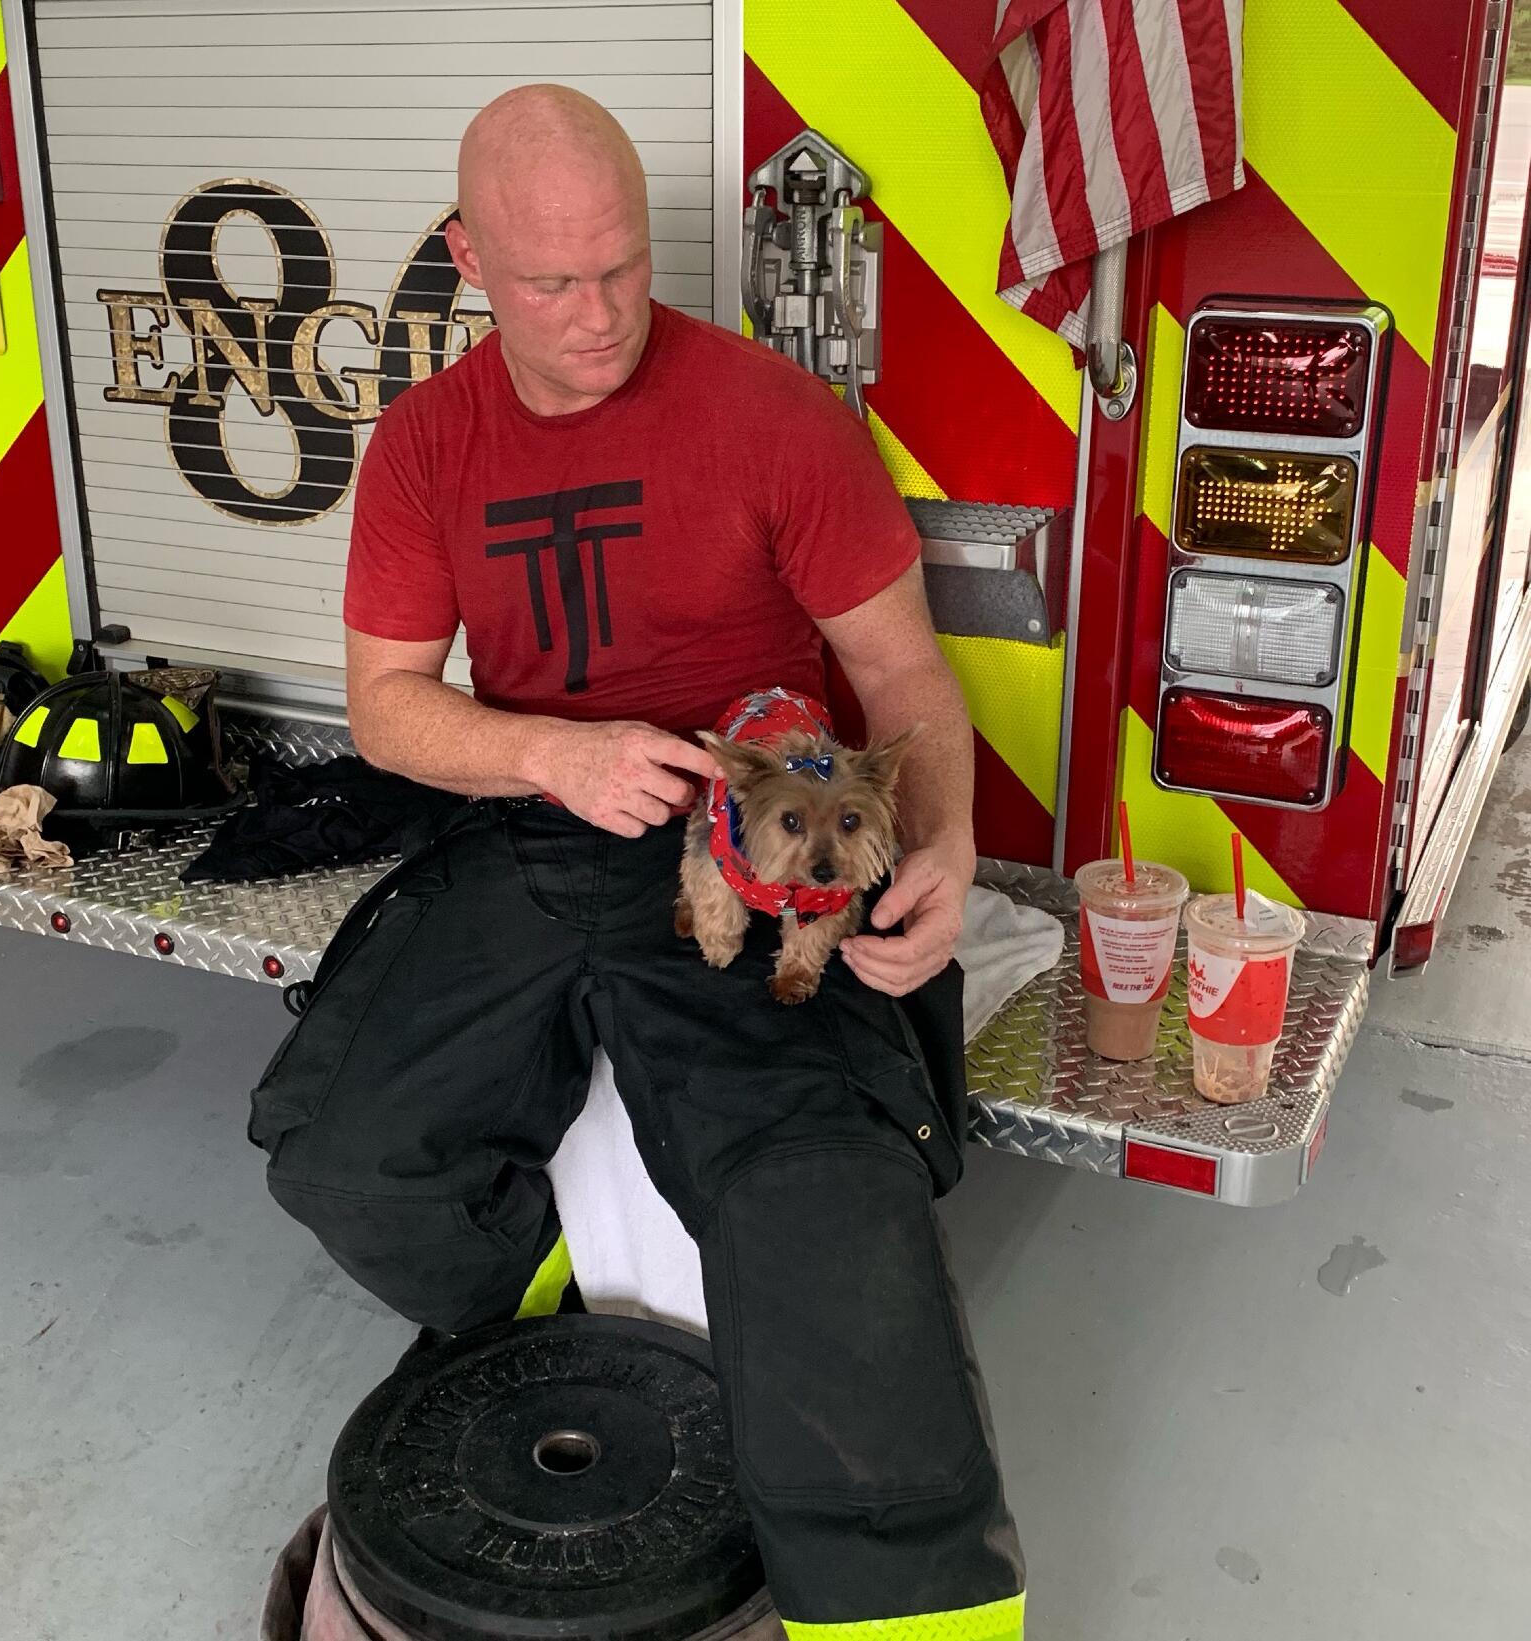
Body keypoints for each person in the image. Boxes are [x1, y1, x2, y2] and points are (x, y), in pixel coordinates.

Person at [248, 85, 1026, 1638]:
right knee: (342, 1151)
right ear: (468, 256)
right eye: (551, 281)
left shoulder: (776, 419)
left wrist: (940, 843)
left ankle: (909, 1619)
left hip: (757, 841)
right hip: (538, 832)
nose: (599, 314)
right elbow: (390, 710)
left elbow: (911, 682)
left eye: (621, 268)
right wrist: (556, 753)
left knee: (820, 1189)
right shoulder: (424, 444)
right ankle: (537, 1302)